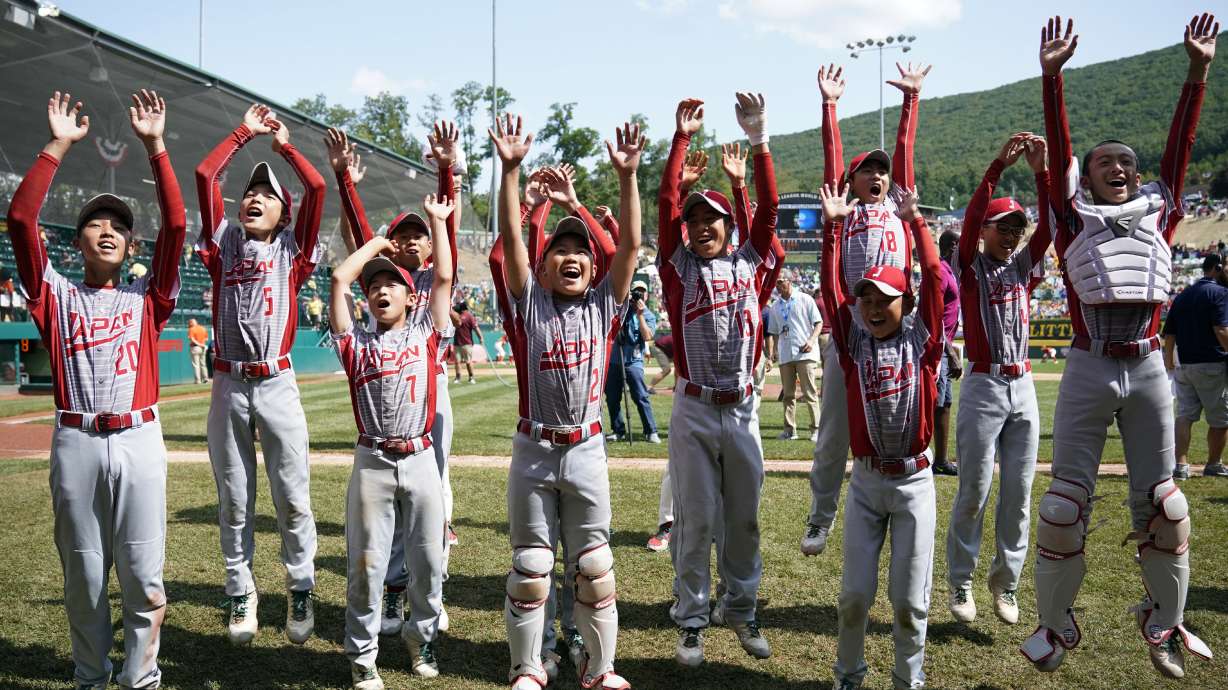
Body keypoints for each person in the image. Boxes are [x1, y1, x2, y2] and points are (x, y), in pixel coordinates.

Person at [1020, 14, 1217, 678]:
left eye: (1126, 161)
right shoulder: (1070, 214)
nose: (1118, 167)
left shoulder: (1162, 210)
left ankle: (1164, 621)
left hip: (1149, 364)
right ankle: (1054, 624)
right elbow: (1059, 146)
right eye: (1104, 161)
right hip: (1088, 363)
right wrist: (1052, 79)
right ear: (1087, 176)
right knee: (1061, 506)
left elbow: (1180, 147)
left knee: (1167, 503)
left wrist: (1197, 72)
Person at [8, 89, 185, 690]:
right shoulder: (53, 295)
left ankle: (142, 677)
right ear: (77, 240)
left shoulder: (148, 297)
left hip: (138, 437)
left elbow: (177, 224)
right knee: (84, 578)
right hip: (76, 439)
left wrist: (156, 147)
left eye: (119, 226)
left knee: (143, 574)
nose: (107, 230)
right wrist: (57, 146)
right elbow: (20, 220)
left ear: (132, 246)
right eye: (95, 222)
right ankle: (90, 676)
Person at [490, 114, 642, 690]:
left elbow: (630, 245)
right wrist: (511, 172)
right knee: (532, 566)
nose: (572, 256)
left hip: (586, 449)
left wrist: (626, 178)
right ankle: (527, 667)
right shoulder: (528, 303)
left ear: (593, 266)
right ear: (544, 263)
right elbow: (511, 240)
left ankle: (600, 669)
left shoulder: (605, 306)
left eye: (581, 250)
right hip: (534, 449)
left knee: (595, 566)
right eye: (560, 250)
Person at [195, 103, 324, 646]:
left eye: (268, 195)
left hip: (276, 382)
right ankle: (240, 589)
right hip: (228, 382)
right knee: (234, 498)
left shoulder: (293, 252)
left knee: (292, 495)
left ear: (284, 214)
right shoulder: (223, 244)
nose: (255, 197)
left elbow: (316, 188)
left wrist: (284, 147)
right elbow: (206, 175)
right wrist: (242, 134)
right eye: (250, 191)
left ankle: (300, 586)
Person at [328, 123, 463, 637]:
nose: (408, 240)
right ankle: (394, 585)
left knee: (433, 488)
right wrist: (346, 182)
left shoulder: (431, 280)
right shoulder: (386, 281)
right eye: (400, 234)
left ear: (429, 245)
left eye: (417, 235)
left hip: (430, 383)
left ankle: (432, 585)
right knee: (391, 492)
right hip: (387, 381)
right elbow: (361, 236)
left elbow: (446, 225)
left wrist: (446, 170)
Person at [661, 93, 779, 667]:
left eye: (712, 218)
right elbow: (665, 203)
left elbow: (770, 211)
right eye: (694, 220)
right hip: (695, 407)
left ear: (730, 226)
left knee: (744, 518)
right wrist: (679, 140)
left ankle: (741, 608)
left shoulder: (749, 265)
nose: (702, 225)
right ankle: (690, 618)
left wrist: (759, 139)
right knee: (696, 518)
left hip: (743, 406)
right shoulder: (679, 269)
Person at [820, 182, 942, 690]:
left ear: (906, 303)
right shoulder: (853, 346)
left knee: (910, 603)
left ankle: (907, 680)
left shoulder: (923, 341)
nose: (872, 307)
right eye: (866, 299)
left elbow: (933, 275)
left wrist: (917, 223)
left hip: (914, 483)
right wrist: (832, 230)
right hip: (868, 484)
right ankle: (848, 674)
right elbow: (832, 291)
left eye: (885, 299)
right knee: (854, 597)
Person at [805, 61, 930, 557]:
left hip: (900, 338)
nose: (877, 175)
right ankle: (820, 517)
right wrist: (830, 105)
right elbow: (832, 158)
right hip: (853, 335)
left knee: (900, 425)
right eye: (866, 170)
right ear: (851, 181)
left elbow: (906, 152)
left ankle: (901, 497)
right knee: (833, 434)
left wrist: (910, 100)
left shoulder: (899, 209)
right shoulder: (843, 213)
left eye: (881, 170)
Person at [945, 132, 1051, 628]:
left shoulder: (1025, 267)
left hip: (1022, 384)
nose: (1010, 234)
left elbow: (1050, 228)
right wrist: (995, 169)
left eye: (1016, 228)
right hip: (984, 385)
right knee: (974, 489)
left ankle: (1006, 582)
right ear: (985, 230)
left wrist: (1041, 173)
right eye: (1001, 226)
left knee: (1019, 493)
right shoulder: (970, 267)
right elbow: (968, 224)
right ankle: (960, 579)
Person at [1162, 253, 1228, 479]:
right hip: (1212, 365)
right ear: (1217, 268)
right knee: (1221, 420)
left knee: (1185, 416)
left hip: (1184, 365)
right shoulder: (1220, 293)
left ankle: (1180, 466)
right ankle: (1213, 464)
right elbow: (1221, 330)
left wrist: (1169, 361)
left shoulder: (1183, 295)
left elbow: (1170, 334)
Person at [767, 268, 822, 441]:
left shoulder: (805, 299)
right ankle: (790, 430)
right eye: (776, 283)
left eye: (780, 281)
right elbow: (775, 332)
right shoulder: (775, 306)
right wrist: (774, 351)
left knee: (810, 394)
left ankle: (816, 430)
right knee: (788, 395)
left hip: (805, 353)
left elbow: (818, 323)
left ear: (789, 281)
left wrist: (811, 341)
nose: (778, 285)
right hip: (785, 354)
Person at [605, 279, 661, 443]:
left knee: (641, 396)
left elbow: (647, 336)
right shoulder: (620, 310)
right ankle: (618, 430)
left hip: (633, 362)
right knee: (612, 398)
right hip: (614, 360)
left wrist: (640, 315)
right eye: (636, 292)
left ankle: (651, 431)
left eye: (642, 293)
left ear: (646, 295)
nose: (639, 296)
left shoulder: (648, 315)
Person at [931, 231, 962, 476]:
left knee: (945, 403)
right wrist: (950, 352)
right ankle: (920, 456)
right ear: (953, 246)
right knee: (934, 403)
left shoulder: (950, 271)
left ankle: (941, 461)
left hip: (945, 346)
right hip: (937, 347)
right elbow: (934, 313)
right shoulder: (941, 271)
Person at [452, 301, 482, 384]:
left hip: (467, 343)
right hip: (457, 342)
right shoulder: (456, 315)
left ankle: (471, 377)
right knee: (457, 362)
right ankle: (458, 378)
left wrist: (480, 338)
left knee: (468, 361)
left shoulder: (469, 315)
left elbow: (475, 327)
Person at [188, 317, 209, 384]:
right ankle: (205, 379)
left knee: (196, 365)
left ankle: (198, 380)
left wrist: (199, 344)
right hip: (203, 347)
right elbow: (206, 339)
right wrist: (202, 344)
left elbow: (192, 340)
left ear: (192, 323)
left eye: (189, 323)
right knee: (203, 364)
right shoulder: (203, 328)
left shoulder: (191, 329)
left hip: (196, 347)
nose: (189, 324)